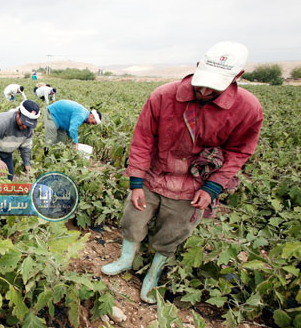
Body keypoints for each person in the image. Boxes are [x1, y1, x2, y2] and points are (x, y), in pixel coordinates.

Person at [101, 41, 263, 303]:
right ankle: (125, 259)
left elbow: (239, 152)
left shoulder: (247, 109)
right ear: (197, 67)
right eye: (202, 81)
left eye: (215, 85)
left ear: (237, 77)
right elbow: (142, 140)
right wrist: (136, 182)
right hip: (155, 173)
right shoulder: (163, 96)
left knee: (174, 230)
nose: (204, 89)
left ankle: (153, 274)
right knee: (134, 219)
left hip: (194, 183)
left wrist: (213, 186)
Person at [0, 99, 40, 181]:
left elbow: (26, 148)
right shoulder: (3, 122)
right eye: (24, 122)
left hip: (4, 147)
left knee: (9, 175)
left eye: (29, 124)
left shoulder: (28, 129)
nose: (25, 127)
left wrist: (27, 164)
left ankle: (3, 192)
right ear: (18, 113)